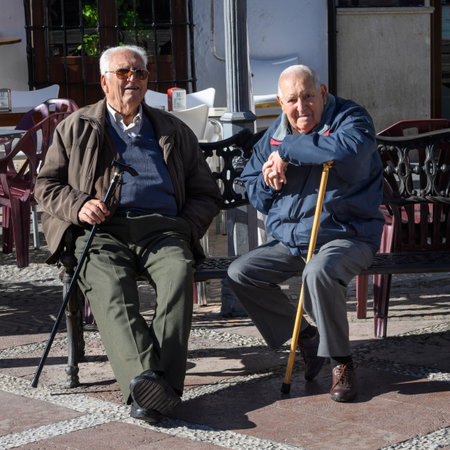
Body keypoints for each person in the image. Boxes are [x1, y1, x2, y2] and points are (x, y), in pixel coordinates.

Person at [35, 45, 221, 423]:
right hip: (103, 231)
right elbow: (46, 185)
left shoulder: (172, 129)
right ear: (104, 81)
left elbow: (206, 193)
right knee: (111, 286)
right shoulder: (77, 127)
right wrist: (79, 205)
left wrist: (185, 228)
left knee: (178, 277)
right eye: (123, 73)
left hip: (164, 230)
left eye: (140, 73)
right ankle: (151, 384)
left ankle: (149, 387)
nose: (133, 79)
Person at [227, 64, 384, 402]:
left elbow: (348, 152)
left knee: (318, 271)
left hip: (347, 235)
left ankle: (341, 362)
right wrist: (271, 181)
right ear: (281, 103)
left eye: (309, 96)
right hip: (293, 240)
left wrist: (286, 151)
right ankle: (308, 338)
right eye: (293, 100)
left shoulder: (350, 118)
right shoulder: (273, 134)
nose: (302, 108)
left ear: (323, 93)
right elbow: (254, 188)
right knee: (240, 273)